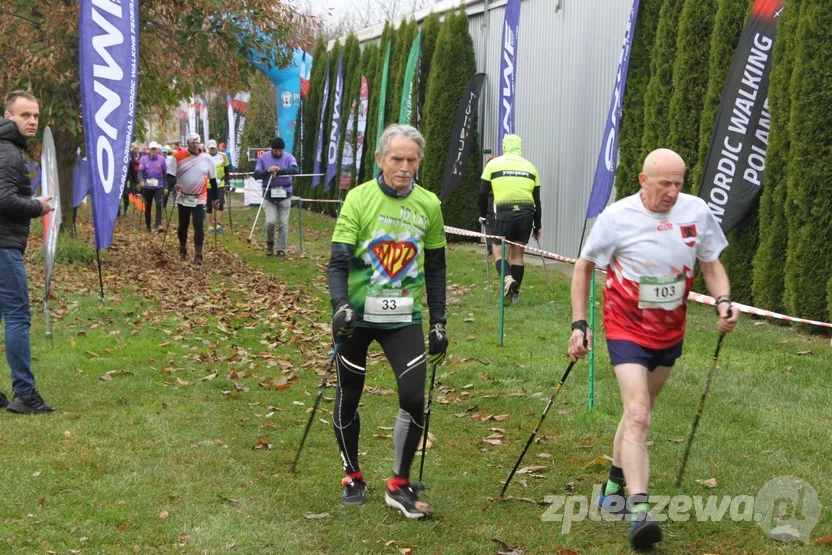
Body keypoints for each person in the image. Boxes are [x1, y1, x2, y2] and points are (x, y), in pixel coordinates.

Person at [567, 148, 739, 550]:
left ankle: (611, 487)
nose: (673, 192)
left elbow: (711, 265)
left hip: (669, 333)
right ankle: (640, 513)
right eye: (665, 183)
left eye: (679, 183)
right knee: (639, 413)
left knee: (638, 414)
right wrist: (580, 323)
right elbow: (583, 266)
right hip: (626, 329)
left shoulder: (695, 212)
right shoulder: (617, 217)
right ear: (643, 180)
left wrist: (723, 301)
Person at [327, 124, 448, 519]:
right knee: (350, 393)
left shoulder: (428, 204)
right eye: (397, 159)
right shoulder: (359, 199)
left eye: (412, 160)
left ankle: (399, 484)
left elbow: (436, 268)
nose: (405, 167)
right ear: (380, 159)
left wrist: (439, 321)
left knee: (414, 396)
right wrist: (341, 306)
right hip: (358, 318)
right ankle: (352, 474)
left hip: (402, 317)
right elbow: (338, 263)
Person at [0, 91, 56, 414]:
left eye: (35, 115)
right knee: (18, 317)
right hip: (4, 247)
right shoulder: (8, 152)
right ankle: (25, 394)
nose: (32, 121)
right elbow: (4, 200)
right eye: (24, 115)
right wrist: (37, 206)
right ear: (9, 117)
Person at [478, 134, 542, 306]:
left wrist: (483, 215)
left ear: (504, 147)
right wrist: (538, 225)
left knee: (498, 251)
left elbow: (483, 193)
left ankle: (507, 280)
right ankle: (514, 296)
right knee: (518, 255)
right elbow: (537, 200)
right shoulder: (531, 167)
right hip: (527, 213)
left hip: (504, 213)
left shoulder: (494, 164)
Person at [166, 133, 217, 266]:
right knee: (183, 225)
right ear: (187, 143)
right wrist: (173, 186)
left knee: (198, 224)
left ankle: (198, 254)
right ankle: (182, 247)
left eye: (197, 142)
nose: (195, 145)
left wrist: (216, 198)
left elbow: (213, 179)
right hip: (183, 196)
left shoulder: (206, 158)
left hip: (200, 197)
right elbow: (170, 176)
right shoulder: (177, 157)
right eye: (192, 142)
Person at [253, 137, 298, 257]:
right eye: (275, 151)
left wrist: (281, 171)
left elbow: (295, 170)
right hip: (269, 194)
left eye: (280, 151)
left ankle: (281, 249)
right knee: (270, 222)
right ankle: (269, 244)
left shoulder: (289, 157)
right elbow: (256, 174)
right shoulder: (263, 158)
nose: (278, 153)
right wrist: (268, 170)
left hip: (285, 193)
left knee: (283, 223)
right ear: (271, 149)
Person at [138, 141, 167, 233]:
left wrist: (165, 187)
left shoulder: (162, 159)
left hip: (159, 185)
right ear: (149, 150)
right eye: (152, 149)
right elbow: (139, 172)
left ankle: (158, 225)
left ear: (157, 150)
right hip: (147, 186)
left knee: (159, 204)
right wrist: (141, 181)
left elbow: (164, 173)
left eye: (155, 149)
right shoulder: (143, 159)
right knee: (148, 206)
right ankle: (148, 226)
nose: (153, 151)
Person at [206, 139, 230, 235]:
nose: (212, 150)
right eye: (211, 148)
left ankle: (219, 225)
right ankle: (210, 226)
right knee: (208, 204)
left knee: (220, 202)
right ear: (208, 148)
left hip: (220, 183)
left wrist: (227, 183)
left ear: (216, 147)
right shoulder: (205, 156)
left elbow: (227, 170)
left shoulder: (222, 156)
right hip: (208, 184)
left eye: (214, 148)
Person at [120, 144, 140, 217]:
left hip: (128, 178)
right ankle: (118, 209)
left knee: (126, 194)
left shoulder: (131, 157)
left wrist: (135, 181)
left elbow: (134, 169)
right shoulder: (119, 156)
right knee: (118, 194)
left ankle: (125, 210)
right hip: (119, 178)